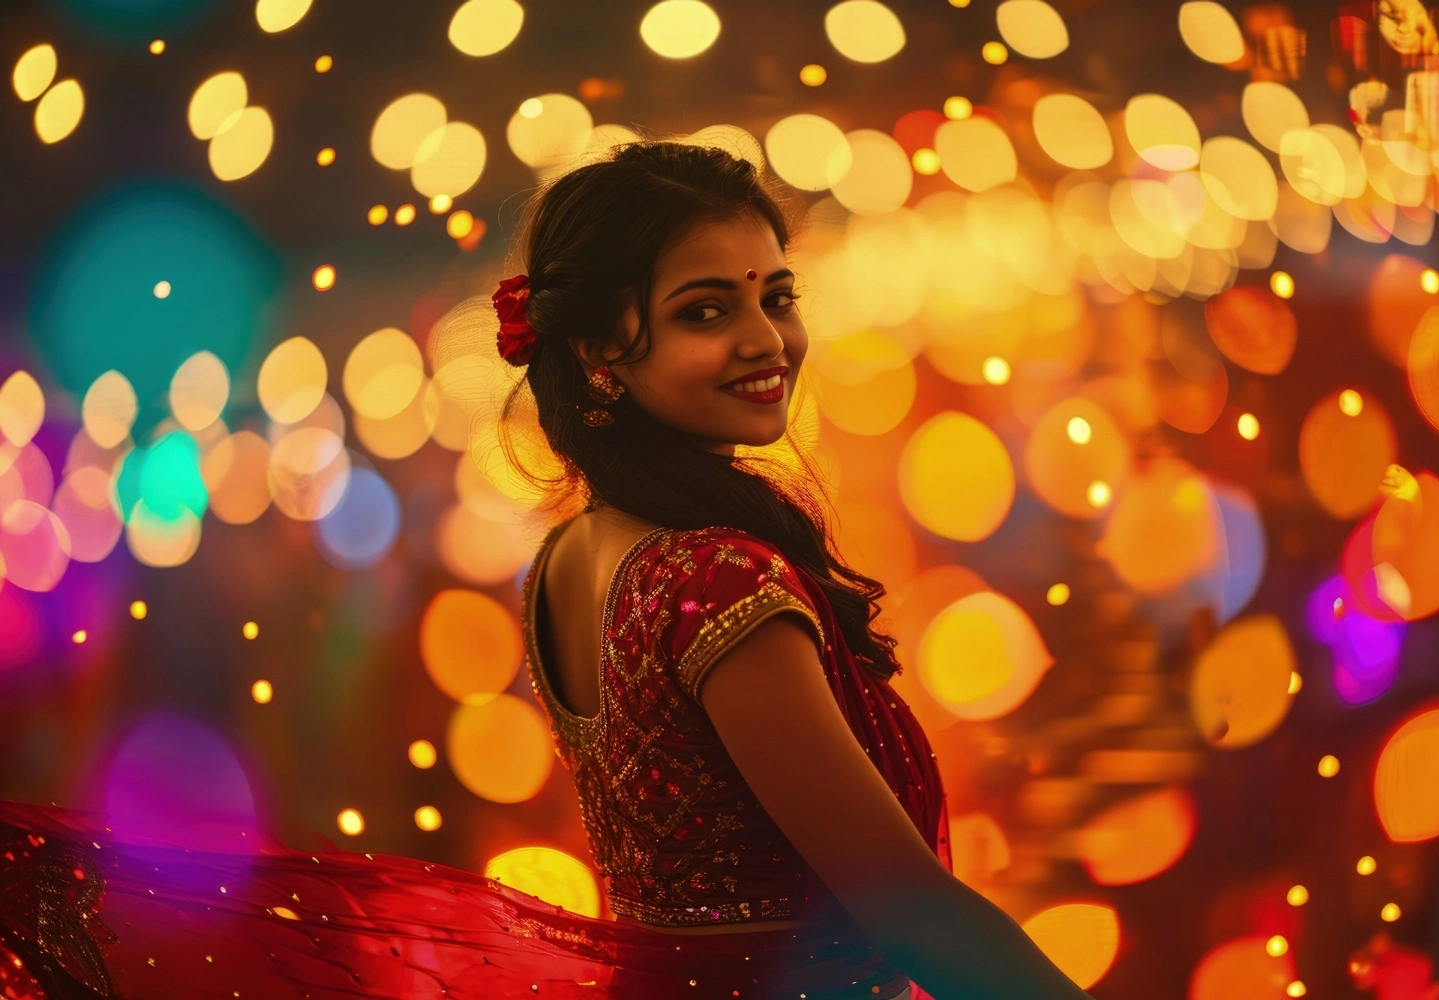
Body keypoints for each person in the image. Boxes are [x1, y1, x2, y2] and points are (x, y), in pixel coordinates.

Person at [0, 140, 1090, 999]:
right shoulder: (714, 581)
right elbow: (906, 906)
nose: (767, 338)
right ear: (600, 351)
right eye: (707, 310)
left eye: (777, 294)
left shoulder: (578, 553)